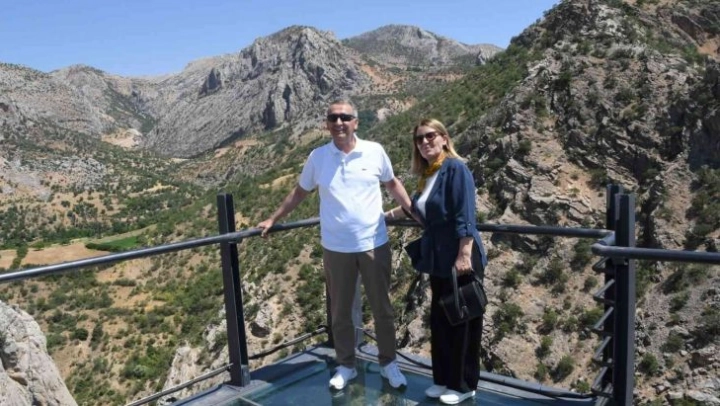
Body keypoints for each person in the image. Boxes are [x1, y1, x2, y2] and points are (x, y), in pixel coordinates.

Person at [257, 100, 413, 391]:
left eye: (345, 117)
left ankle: (389, 363)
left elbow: (392, 184)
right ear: (326, 124)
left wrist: (412, 209)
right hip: (336, 248)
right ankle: (346, 366)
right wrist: (273, 218)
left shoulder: (375, 151)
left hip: (374, 243)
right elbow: (300, 192)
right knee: (340, 312)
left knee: (382, 309)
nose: (339, 122)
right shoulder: (318, 157)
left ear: (356, 122)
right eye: (333, 118)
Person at [385, 118, 488, 405]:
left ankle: (464, 385)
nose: (424, 142)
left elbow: (465, 212)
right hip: (439, 258)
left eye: (430, 136)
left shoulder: (455, 168)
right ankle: (443, 380)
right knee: (441, 321)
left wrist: (464, 254)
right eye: (419, 139)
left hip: (460, 256)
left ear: (444, 138)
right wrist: (383, 217)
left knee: (463, 321)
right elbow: (414, 208)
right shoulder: (429, 175)